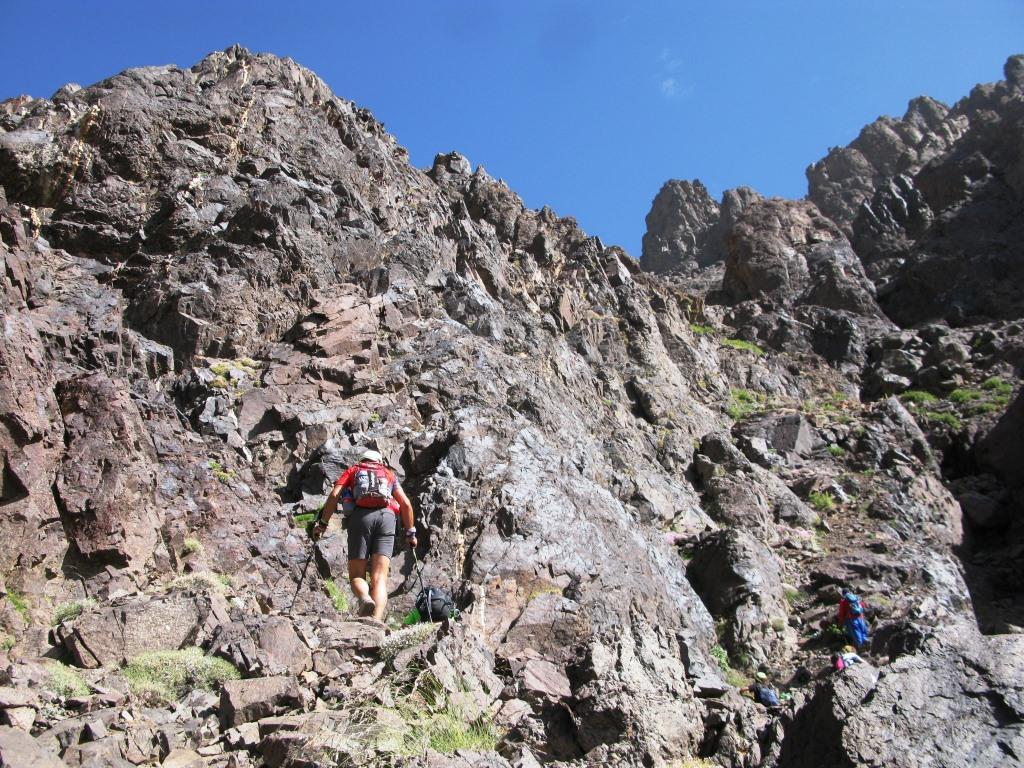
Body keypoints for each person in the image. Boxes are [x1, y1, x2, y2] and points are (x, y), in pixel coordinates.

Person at [312, 449, 417, 621]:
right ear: (379, 462)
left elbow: (334, 495)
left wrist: (323, 523)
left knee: (357, 575)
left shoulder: (354, 470)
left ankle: (365, 598)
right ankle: (376, 621)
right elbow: (405, 504)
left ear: (363, 460)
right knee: (380, 578)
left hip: (360, 518)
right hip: (387, 518)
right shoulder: (388, 474)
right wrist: (410, 533)